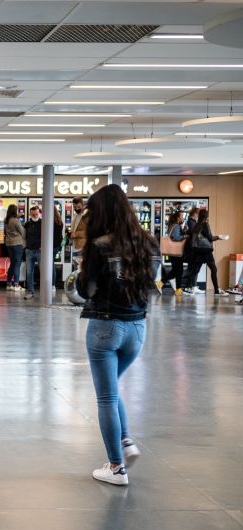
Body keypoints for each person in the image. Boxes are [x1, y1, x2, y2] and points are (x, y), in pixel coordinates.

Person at [75, 185, 161, 486]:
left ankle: (116, 468)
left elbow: (84, 290)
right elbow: (154, 282)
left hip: (105, 327)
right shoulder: (148, 242)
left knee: (107, 396)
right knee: (112, 391)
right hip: (137, 328)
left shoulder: (99, 245)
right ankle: (126, 442)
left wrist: (81, 270)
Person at [185, 209, 227, 296]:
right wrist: (220, 237)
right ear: (206, 216)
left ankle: (188, 288)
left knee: (195, 270)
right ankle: (216, 290)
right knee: (213, 269)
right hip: (206, 251)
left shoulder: (197, 224)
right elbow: (210, 238)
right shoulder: (205, 224)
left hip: (198, 251)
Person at [159, 211, 187, 296]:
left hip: (172, 252)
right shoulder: (176, 226)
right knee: (179, 270)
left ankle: (162, 283)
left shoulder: (173, 225)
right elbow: (176, 237)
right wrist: (185, 236)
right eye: (182, 216)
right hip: (176, 251)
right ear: (178, 218)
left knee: (176, 270)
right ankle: (177, 289)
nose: (183, 217)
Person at [3, 204, 25, 291]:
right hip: (17, 244)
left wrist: (17, 217)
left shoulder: (6, 220)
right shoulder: (16, 221)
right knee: (17, 264)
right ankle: (16, 284)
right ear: (14, 211)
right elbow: (22, 231)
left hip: (9, 244)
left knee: (12, 264)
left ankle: (8, 284)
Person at [23, 206, 42, 299]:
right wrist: (25, 247)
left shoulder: (43, 223)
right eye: (33, 214)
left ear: (39, 213)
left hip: (39, 251)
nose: (35, 215)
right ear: (30, 214)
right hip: (29, 251)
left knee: (43, 272)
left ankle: (44, 291)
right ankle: (30, 291)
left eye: (36, 214)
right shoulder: (27, 224)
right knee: (29, 272)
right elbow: (24, 236)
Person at [70, 196, 87, 269]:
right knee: (76, 270)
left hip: (82, 247)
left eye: (78, 207)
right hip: (75, 246)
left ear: (82, 205)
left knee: (80, 271)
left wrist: (75, 234)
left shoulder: (86, 216)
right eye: (75, 207)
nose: (76, 209)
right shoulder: (75, 216)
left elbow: (88, 231)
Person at [52, 206, 64, 288]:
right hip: (58, 245)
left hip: (51, 245)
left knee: (50, 265)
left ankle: (52, 284)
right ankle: (52, 284)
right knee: (51, 263)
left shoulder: (49, 221)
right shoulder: (60, 221)